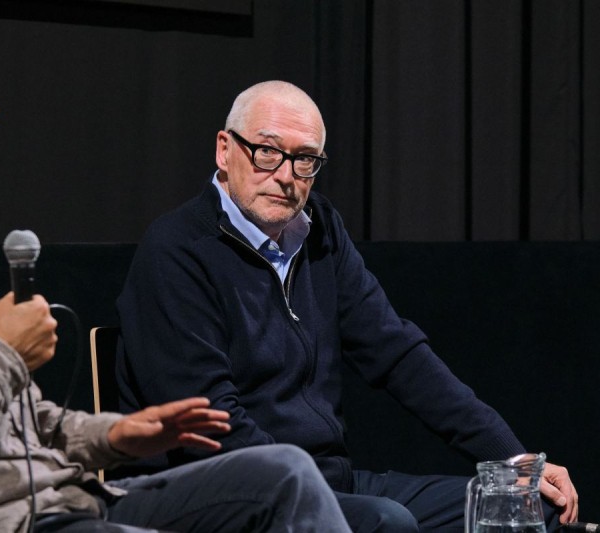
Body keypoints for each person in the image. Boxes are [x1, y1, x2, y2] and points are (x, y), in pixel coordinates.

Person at [0, 14, 353, 533]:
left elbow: (23, 421)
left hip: (71, 497)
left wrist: (115, 433)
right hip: (9, 521)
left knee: (283, 472)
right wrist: (2, 355)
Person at [115, 80, 579, 532]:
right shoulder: (177, 250)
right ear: (224, 149)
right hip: (216, 491)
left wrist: (513, 460)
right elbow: (209, 426)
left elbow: (400, 357)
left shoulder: (320, 231)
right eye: (268, 152)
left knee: (529, 506)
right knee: (385, 521)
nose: (284, 175)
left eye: (305, 161)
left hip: (328, 480)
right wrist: (314, 493)